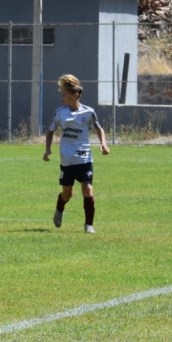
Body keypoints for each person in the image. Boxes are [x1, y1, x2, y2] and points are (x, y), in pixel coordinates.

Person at [45, 73, 109, 233]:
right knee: (67, 194)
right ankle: (59, 209)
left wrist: (103, 144)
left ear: (76, 95)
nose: (62, 97)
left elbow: (99, 128)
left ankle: (89, 225)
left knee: (87, 189)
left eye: (64, 94)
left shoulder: (88, 112)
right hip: (67, 160)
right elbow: (50, 131)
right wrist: (47, 150)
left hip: (84, 157)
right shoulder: (60, 112)